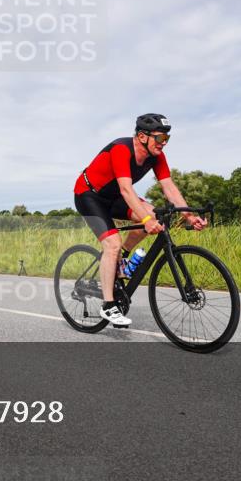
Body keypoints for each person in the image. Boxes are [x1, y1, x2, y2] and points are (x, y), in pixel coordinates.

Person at [73, 113, 207, 326]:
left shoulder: (157, 156)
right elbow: (127, 189)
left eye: (167, 139)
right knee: (112, 244)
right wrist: (144, 219)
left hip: (115, 196)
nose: (164, 144)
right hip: (89, 195)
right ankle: (109, 305)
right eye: (160, 138)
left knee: (157, 218)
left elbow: (169, 187)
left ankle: (122, 261)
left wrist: (189, 216)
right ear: (143, 136)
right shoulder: (121, 149)